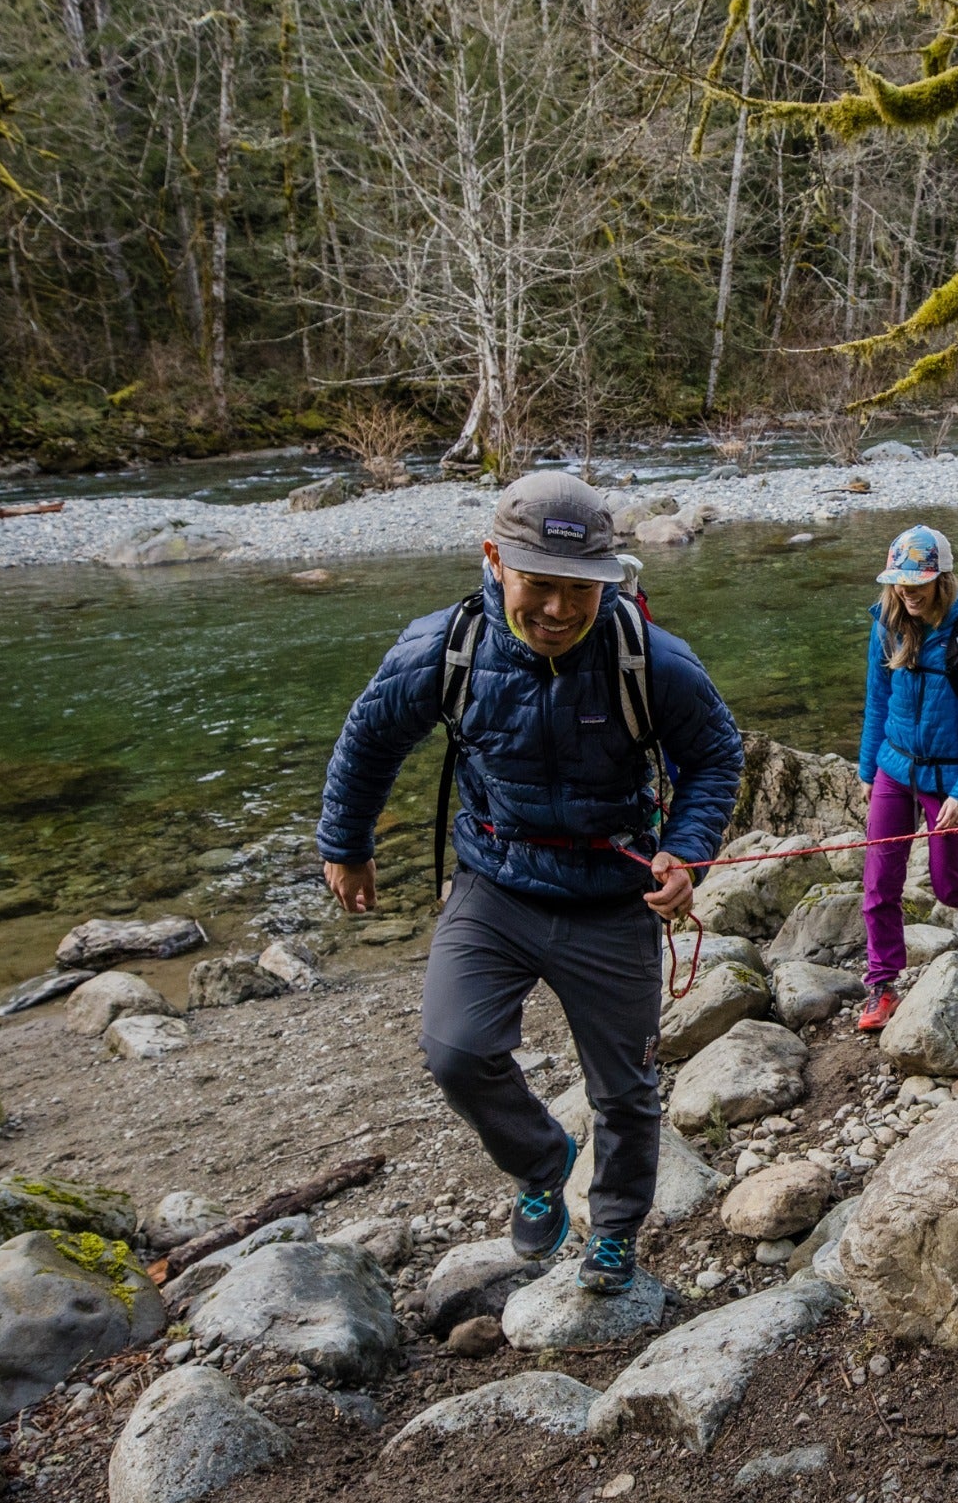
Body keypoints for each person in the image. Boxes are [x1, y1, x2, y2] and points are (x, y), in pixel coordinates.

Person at [317, 471, 743, 1295]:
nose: (555, 610)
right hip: (495, 884)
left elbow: (715, 755)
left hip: (612, 895)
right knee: (456, 1049)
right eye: (538, 585)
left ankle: (614, 1232)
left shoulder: (649, 660)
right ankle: (544, 1162)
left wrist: (686, 853)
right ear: (493, 562)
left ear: (609, 582)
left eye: (577, 591)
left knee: (625, 1087)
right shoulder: (447, 648)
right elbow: (370, 737)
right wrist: (347, 842)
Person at [855, 524, 958, 1032]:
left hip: (951, 778)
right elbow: (877, 701)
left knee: (950, 886)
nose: (906, 592)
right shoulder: (886, 622)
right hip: (894, 767)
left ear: (941, 579)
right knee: (879, 882)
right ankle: (882, 986)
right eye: (899, 583)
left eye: (916, 583)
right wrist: (867, 768)